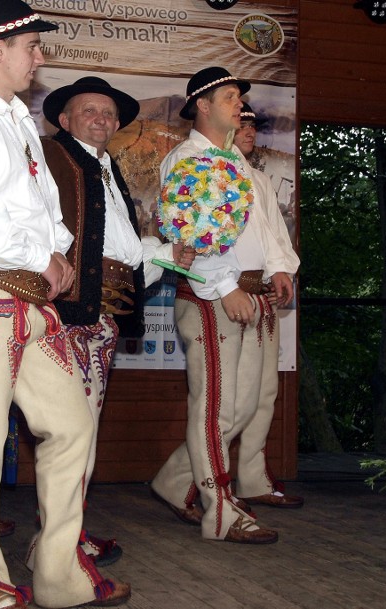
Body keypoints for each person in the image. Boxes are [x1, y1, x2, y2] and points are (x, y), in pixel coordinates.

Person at [0, 0, 131, 607]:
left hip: (32, 302)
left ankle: (59, 572)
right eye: (32, 46)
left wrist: (58, 250)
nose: (39, 57)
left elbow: (43, 208)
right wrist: (40, 256)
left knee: (71, 426)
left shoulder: (13, 119)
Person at [40, 76, 194, 567]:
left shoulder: (106, 169)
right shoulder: (55, 159)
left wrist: (167, 254)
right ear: (65, 120)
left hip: (100, 314)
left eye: (109, 113)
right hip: (70, 314)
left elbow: (124, 255)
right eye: (91, 111)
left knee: (82, 430)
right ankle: (59, 546)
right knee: (72, 433)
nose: (102, 119)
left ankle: (69, 536)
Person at [150, 66, 293, 544]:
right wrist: (225, 286)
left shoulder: (241, 165)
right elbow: (187, 238)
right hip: (213, 297)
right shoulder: (186, 159)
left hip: (249, 294)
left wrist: (278, 268)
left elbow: (268, 227)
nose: (240, 104)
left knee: (244, 405)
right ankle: (221, 509)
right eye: (230, 96)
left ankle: (173, 482)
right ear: (203, 105)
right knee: (218, 408)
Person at [232, 102, 303, 509]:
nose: (249, 130)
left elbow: (278, 237)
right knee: (236, 401)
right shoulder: (212, 172)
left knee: (263, 395)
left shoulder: (258, 180)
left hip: (263, 295)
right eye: (241, 122)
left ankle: (253, 480)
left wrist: (282, 272)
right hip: (230, 293)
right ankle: (205, 479)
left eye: (253, 124)